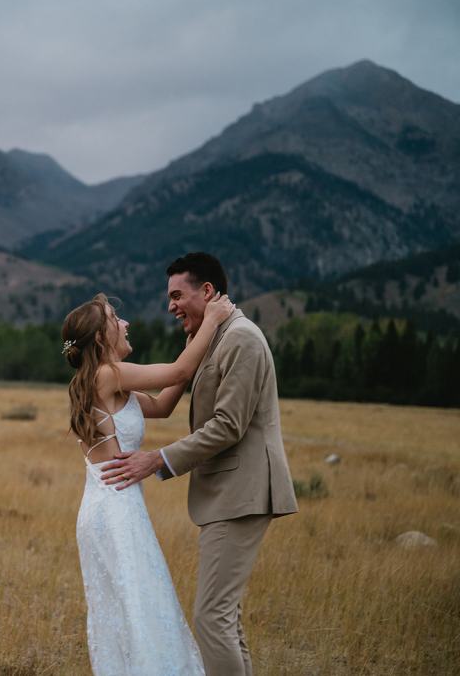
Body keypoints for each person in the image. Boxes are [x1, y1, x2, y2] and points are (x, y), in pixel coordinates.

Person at [99, 252, 298, 676]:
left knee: (212, 619)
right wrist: (199, 335)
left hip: (243, 493)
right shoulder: (215, 338)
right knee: (225, 620)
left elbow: (228, 425)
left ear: (206, 292)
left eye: (177, 295)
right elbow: (175, 383)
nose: (170, 306)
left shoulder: (241, 338)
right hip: (226, 495)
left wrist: (157, 459)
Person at [62, 290, 234, 676]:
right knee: (140, 608)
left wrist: (194, 344)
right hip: (116, 511)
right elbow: (177, 373)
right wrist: (212, 320)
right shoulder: (110, 374)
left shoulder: (106, 381)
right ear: (103, 338)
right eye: (116, 319)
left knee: (135, 608)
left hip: (108, 508)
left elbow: (163, 404)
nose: (126, 323)